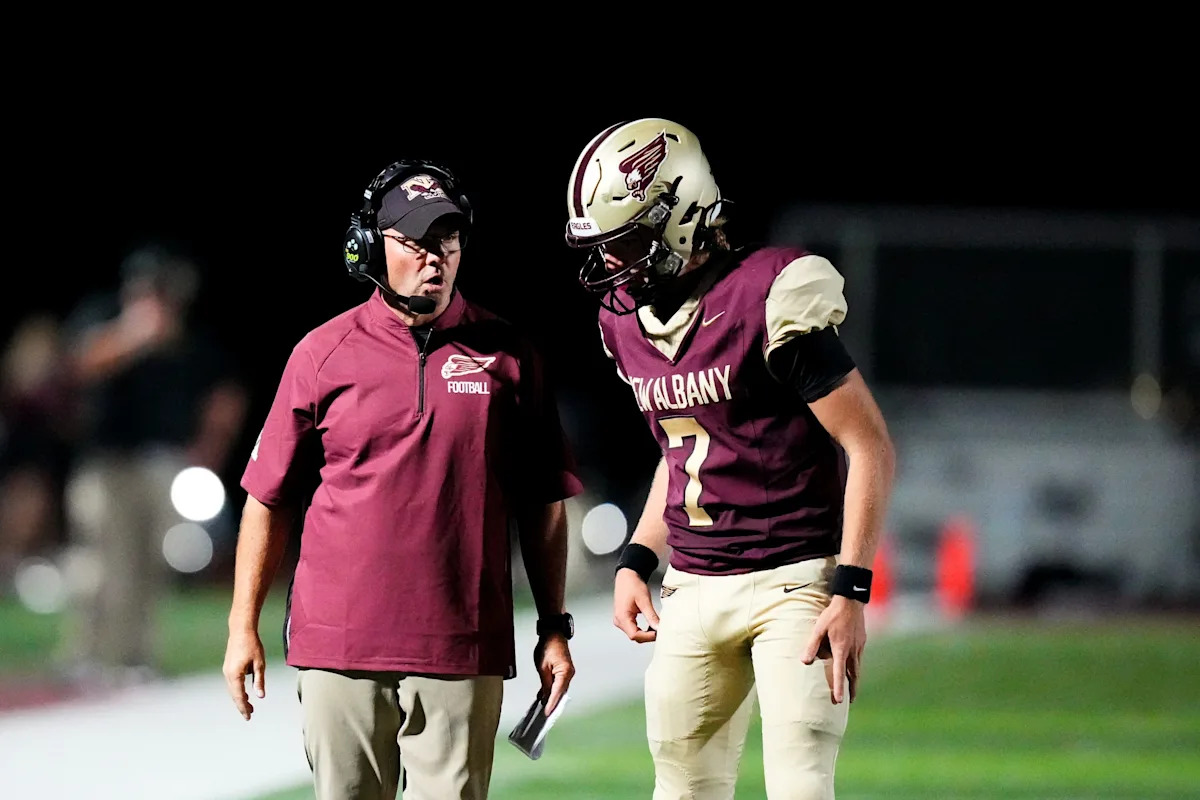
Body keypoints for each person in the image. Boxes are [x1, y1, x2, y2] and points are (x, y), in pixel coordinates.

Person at [223, 159, 584, 800]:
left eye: (448, 243)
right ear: (369, 247)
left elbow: (544, 504)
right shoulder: (321, 353)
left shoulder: (508, 354)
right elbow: (267, 498)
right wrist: (241, 625)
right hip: (340, 645)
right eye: (416, 244)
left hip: (463, 646)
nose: (435, 259)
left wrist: (553, 625)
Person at [564, 118, 897, 800]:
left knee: (801, 786)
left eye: (624, 239)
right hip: (691, 584)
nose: (612, 263)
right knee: (681, 789)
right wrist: (636, 559)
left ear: (680, 211)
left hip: (794, 582)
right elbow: (682, 448)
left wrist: (852, 589)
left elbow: (869, 446)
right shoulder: (623, 321)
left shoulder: (770, 292)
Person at [59, 242, 248, 684]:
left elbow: (225, 396)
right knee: (100, 561)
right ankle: (87, 655)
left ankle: (136, 658)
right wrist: (135, 335)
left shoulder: (190, 339)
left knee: (148, 563)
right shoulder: (104, 315)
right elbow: (79, 365)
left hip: (164, 462)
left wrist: (208, 451)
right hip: (106, 460)